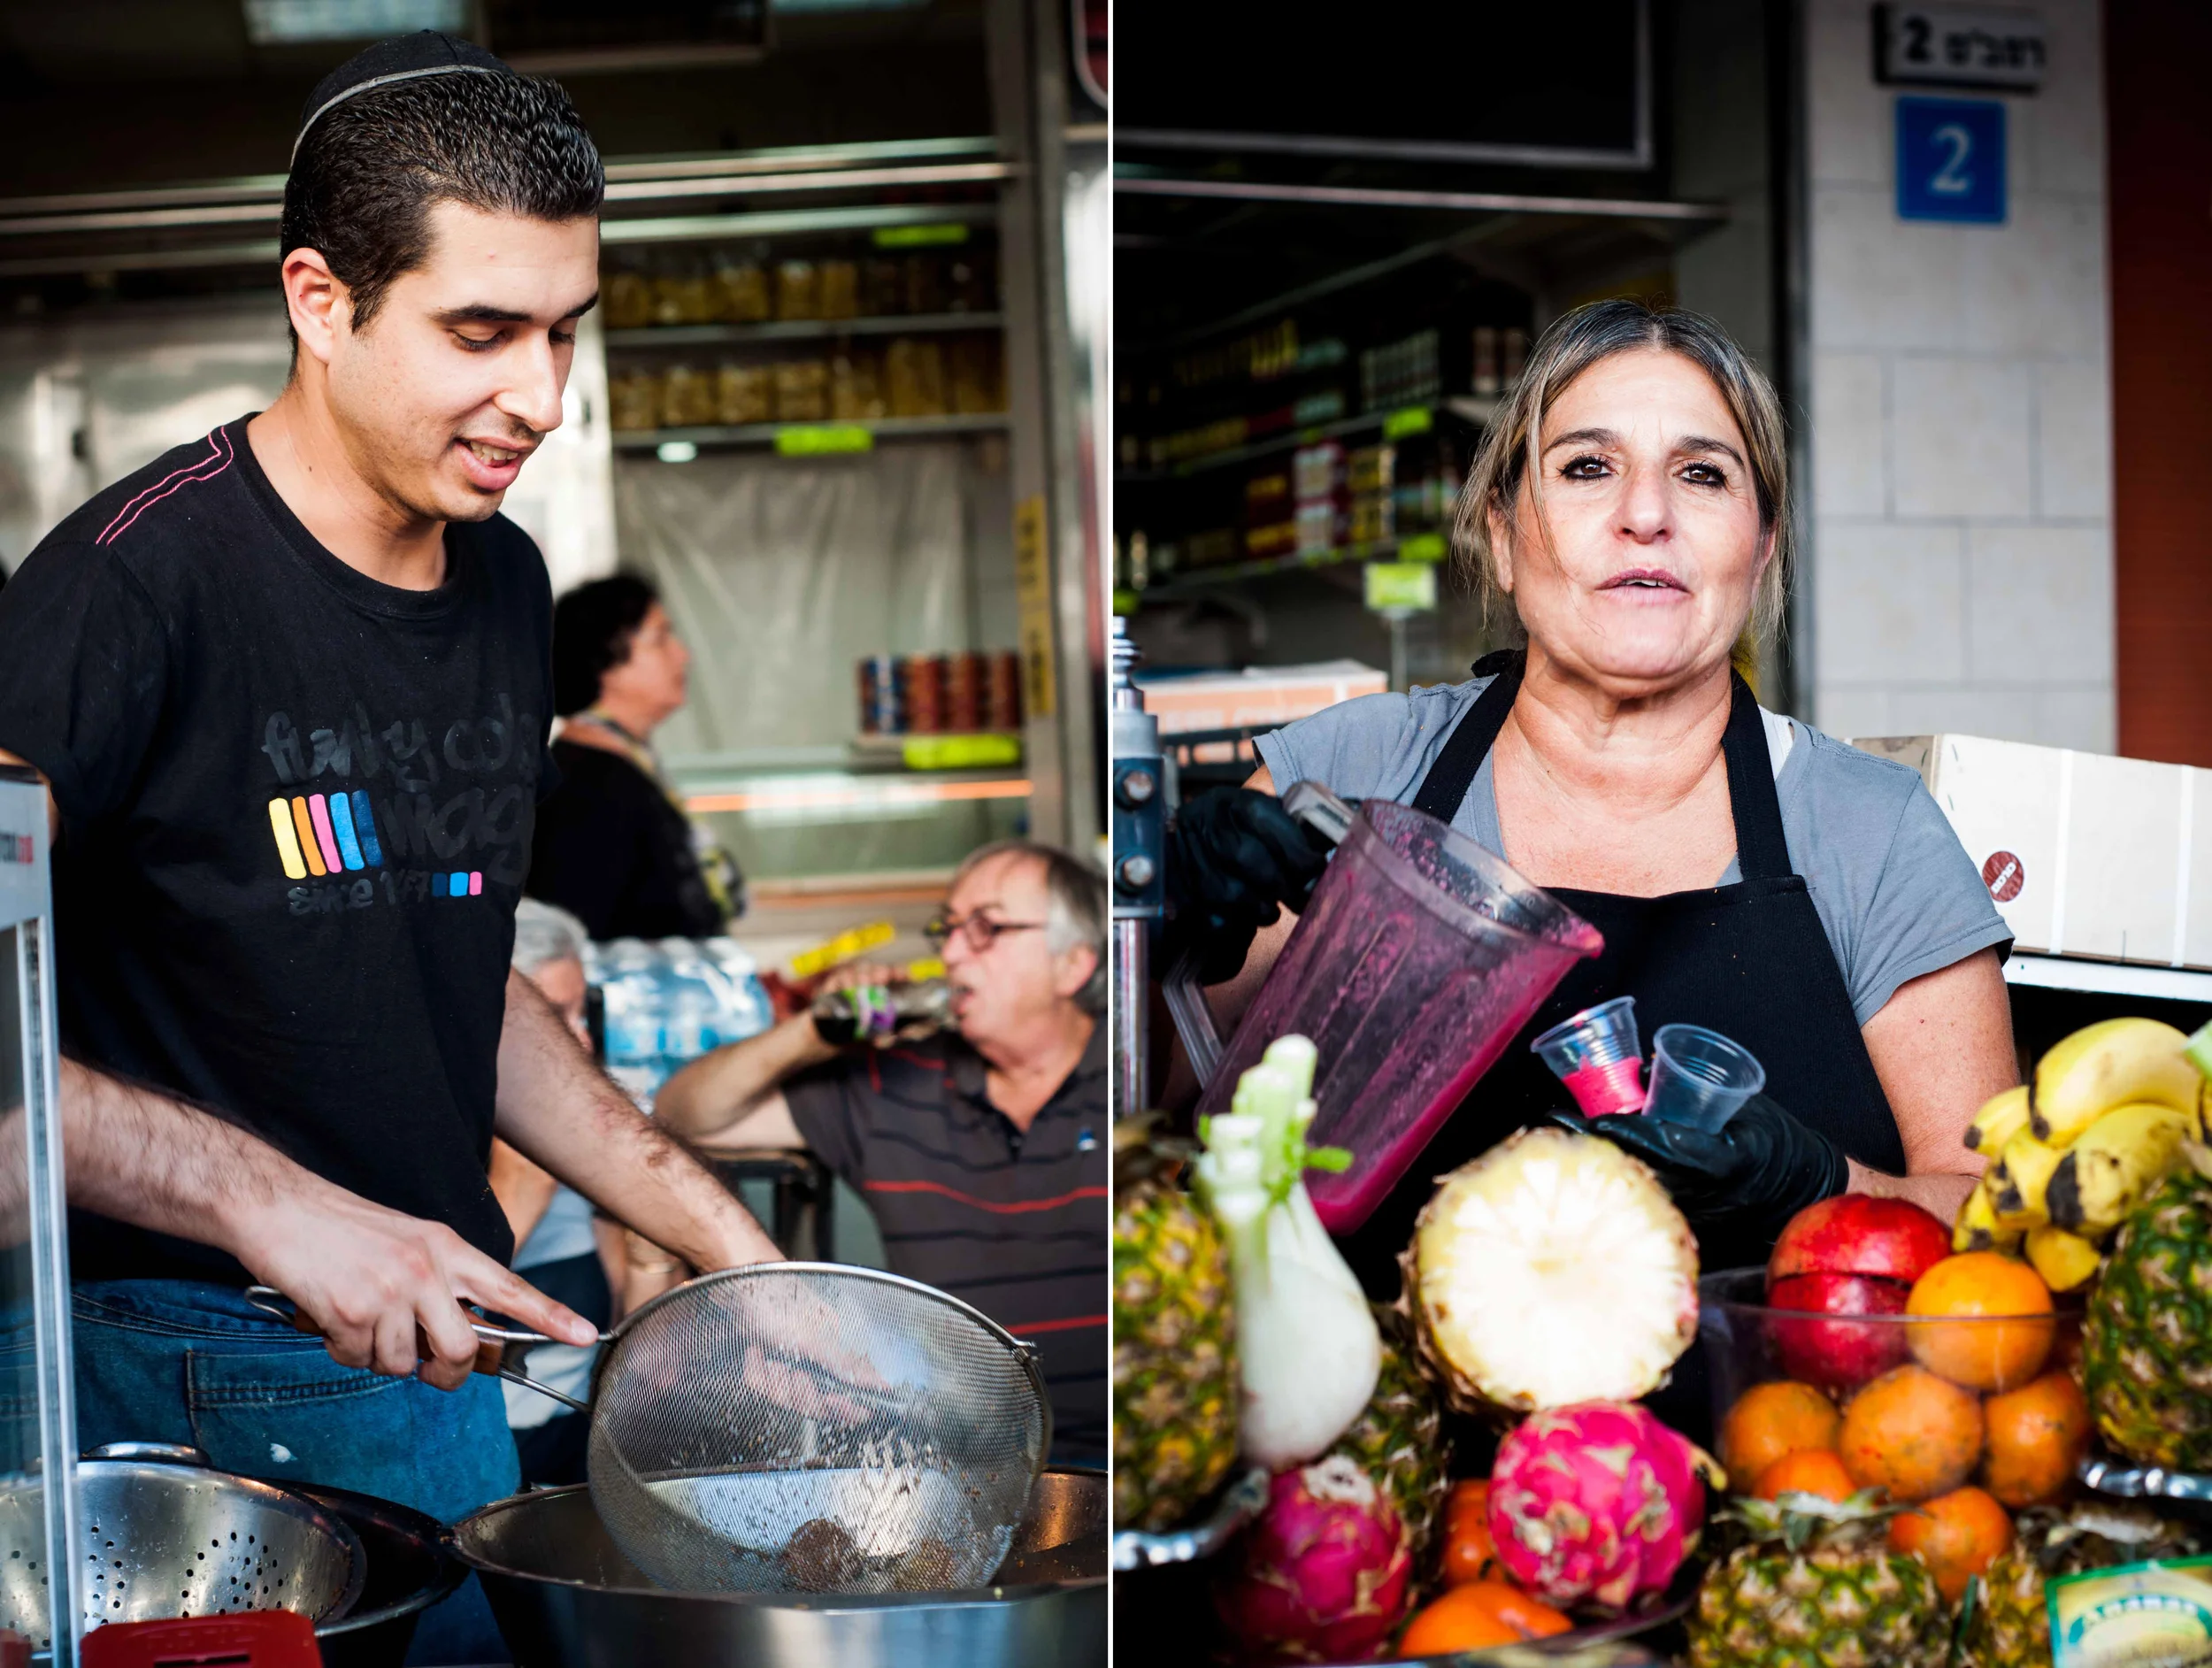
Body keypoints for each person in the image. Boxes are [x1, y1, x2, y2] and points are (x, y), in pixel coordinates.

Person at [0, 34, 780, 1661]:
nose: (543, 400)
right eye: (480, 332)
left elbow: (443, 960)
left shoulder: (497, 579)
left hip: (438, 1355)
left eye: (564, 332)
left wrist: (730, 1252)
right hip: (173, 1383)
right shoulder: (127, 589)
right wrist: (277, 1205)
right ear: (322, 302)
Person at [1168, 298, 2017, 1287]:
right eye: (1585, 467)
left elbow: (1997, 1228)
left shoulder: (1870, 829)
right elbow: (1143, 1125)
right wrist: (1170, 930)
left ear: (1765, 544)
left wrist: (1821, 1181)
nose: (1646, 514)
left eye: (1701, 474)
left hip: (1785, 1429)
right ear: (1499, 531)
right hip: (1356, 1425)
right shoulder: (1350, 771)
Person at [655, 841, 1110, 1464]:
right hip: (951, 1468)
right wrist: (815, 1031)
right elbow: (685, 1114)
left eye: (986, 929)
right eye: (948, 929)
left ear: (1073, 964)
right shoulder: (895, 1081)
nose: (950, 952)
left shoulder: (1134, 1072)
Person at [526, 571, 744, 939]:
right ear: (606, 658)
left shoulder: (622, 765)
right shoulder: (588, 791)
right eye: (661, 638)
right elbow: (575, 943)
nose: (683, 654)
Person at [492, 899, 627, 1488]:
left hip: (570, 1455)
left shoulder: (596, 1132)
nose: (580, 1043)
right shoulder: (416, 1140)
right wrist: (525, 1184)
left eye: (581, 1014)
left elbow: (631, 1344)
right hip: (456, 1454)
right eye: (549, 1020)